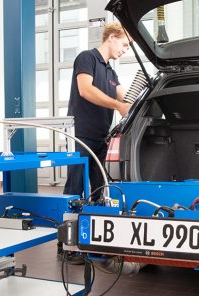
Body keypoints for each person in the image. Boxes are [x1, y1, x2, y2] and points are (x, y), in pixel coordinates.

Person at [63, 22, 131, 198]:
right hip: (81, 135)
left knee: (99, 189)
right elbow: (85, 90)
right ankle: (66, 221)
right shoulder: (87, 58)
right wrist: (117, 106)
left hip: (101, 138)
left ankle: (92, 221)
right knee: (75, 186)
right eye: (125, 44)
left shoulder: (110, 72)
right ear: (112, 37)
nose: (126, 50)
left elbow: (126, 98)